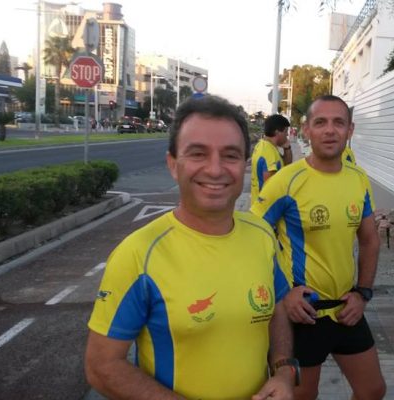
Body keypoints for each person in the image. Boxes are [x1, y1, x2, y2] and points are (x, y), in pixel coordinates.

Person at [85, 96, 296, 400]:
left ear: (244, 165)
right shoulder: (138, 255)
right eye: (198, 154)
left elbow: (277, 308)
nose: (215, 169)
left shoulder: (261, 234)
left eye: (230, 155)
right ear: (173, 164)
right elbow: (102, 366)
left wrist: (284, 371)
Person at [251, 95, 386, 399]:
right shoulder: (286, 181)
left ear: (350, 130)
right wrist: (282, 295)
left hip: (346, 309)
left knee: (373, 390)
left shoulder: (358, 178)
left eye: (338, 122)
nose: (330, 130)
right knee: (303, 396)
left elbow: (369, 239)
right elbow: (251, 240)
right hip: (302, 315)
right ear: (306, 130)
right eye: (320, 122)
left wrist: (363, 293)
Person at [250, 114, 292, 206]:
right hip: (266, 208)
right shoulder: (268, 152)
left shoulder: (265, 145)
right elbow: (270, 187)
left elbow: (286, 164)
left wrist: (287, 148)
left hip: (260, 205)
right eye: (285, 131)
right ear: (277, 132)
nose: (287, 135)